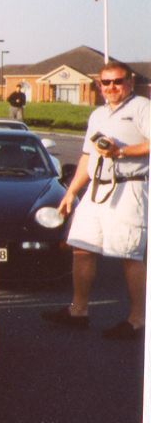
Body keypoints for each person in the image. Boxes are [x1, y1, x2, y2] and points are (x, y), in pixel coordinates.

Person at [42, 62, 149, 340]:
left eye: (118, 81)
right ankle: (78, 311)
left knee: (129, 253)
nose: (112, 87)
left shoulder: (142, 108)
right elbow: (87, 156)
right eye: (106, 82)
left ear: (130, 82)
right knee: (82, 247)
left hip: (128, 187)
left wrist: (121, 152)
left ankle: (137, 320)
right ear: (99, 86)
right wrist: (71, 192)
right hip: (96, 190)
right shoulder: (98, 114)